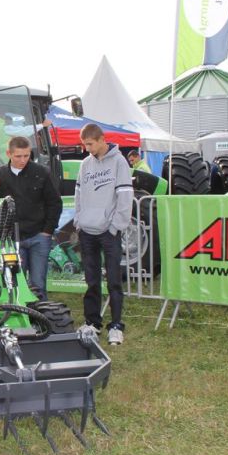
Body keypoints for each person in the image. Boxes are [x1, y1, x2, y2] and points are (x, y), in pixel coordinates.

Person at [74, 124, 133, 346]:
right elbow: (78, 194)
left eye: (90, 144)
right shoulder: (85, 164)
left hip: (109, 231)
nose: (87, 148)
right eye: (84, 144)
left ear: (101, 140)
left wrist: (115, 226)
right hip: (87, 230)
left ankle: (116, 325)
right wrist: (79, 221)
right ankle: (92, 322)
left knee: (114, 280)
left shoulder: (119, 162)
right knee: (91, 280)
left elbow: (125, 197)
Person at [0, 136, 62, 301]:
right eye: (18, 156)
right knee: (14, 281)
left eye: (26, 156)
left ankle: (40, 319)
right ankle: (18, 315)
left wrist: (47, 231)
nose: (23, 160)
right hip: (12, 239)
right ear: (9, 154)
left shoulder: (41, 173)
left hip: (38, 236)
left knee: (38, 283)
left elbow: (54, 203)